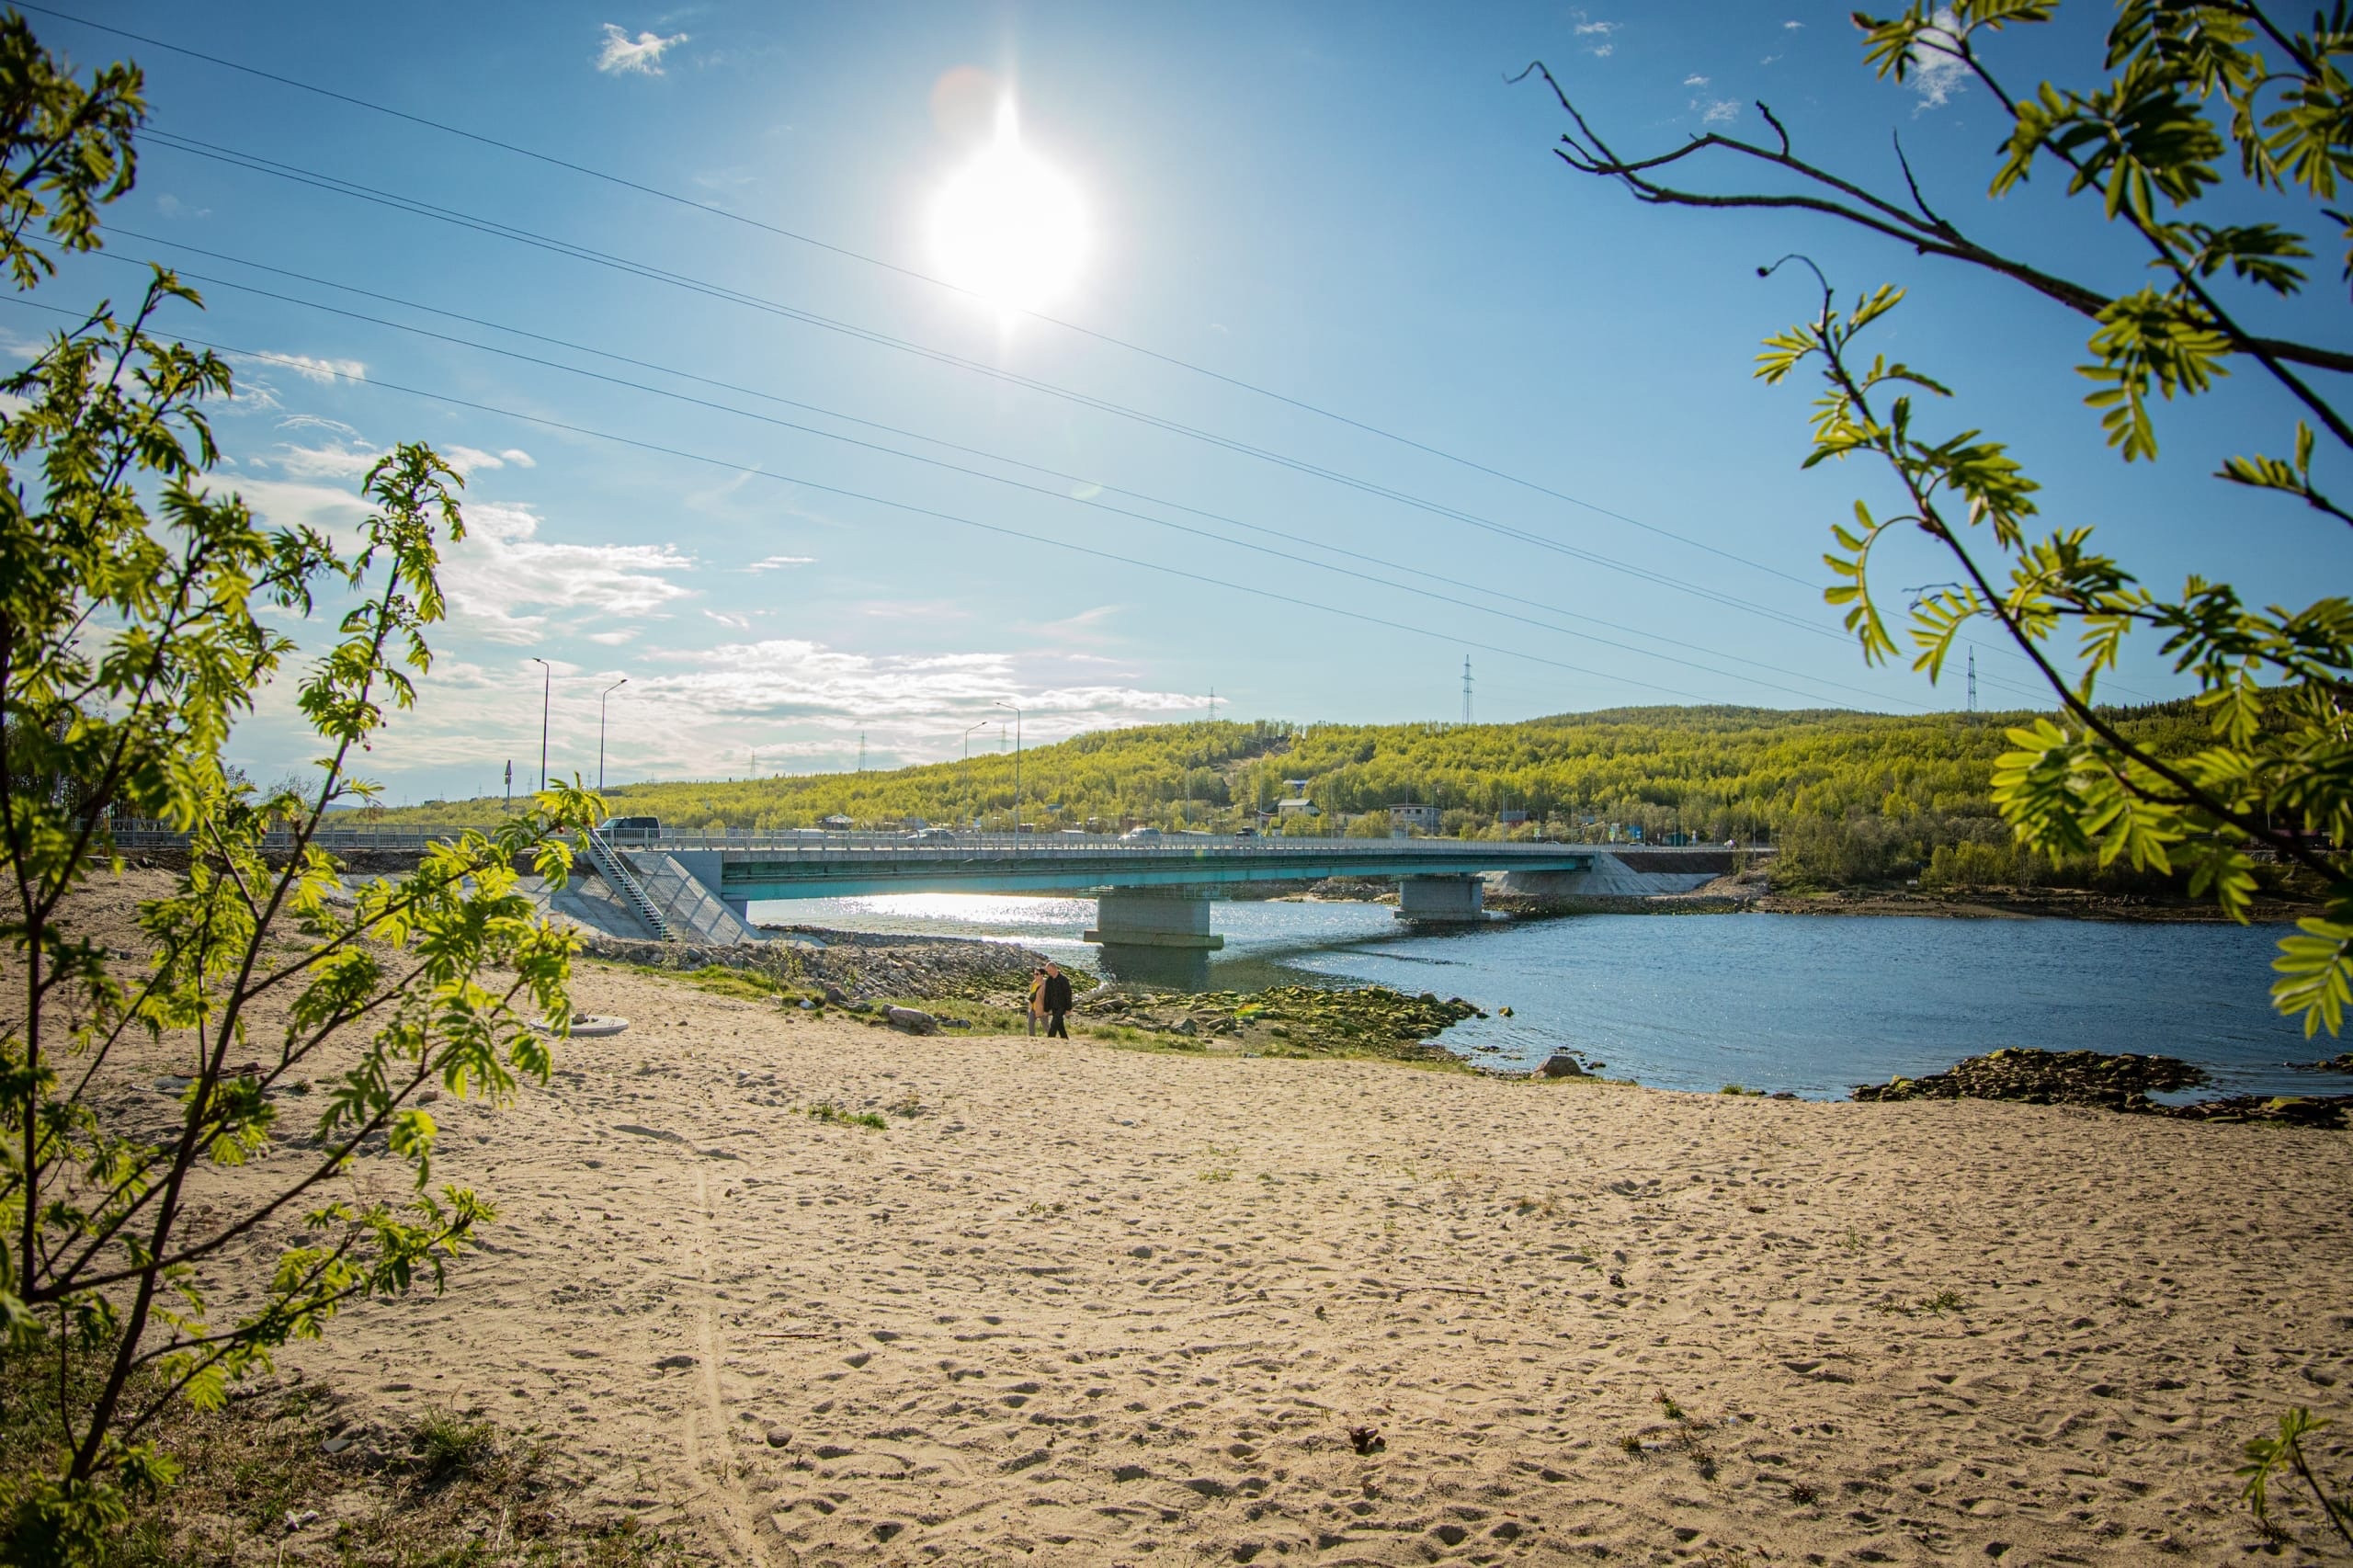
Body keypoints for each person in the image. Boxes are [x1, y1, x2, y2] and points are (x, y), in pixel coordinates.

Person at [1041, 961, 1074, 1039]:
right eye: (1048, 971)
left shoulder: (1063, 979)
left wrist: (1068, 1009)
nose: (1049, 973)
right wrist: (1046, 1009)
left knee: (1054, 1023)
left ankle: (1050, 1039)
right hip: (1053, 1006)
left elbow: (1068, 994)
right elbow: (1047, 995)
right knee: (1060, 1025)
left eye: (1050, 970)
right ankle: (1065, 1039)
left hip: (1062, 1006)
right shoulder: (1049, 980)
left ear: (1055, 969)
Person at [1026, 966, 1046, 1037]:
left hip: (1042, 1009)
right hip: (1032, 1008)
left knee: (1046, 1027)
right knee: (1030, 1025)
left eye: (1037, 974)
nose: (1035, 976)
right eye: (1034, 974)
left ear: (1042, 975)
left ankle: (1052, 1040)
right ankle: (1032, 1040)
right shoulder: (1033, 983)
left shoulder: (1046, 985)